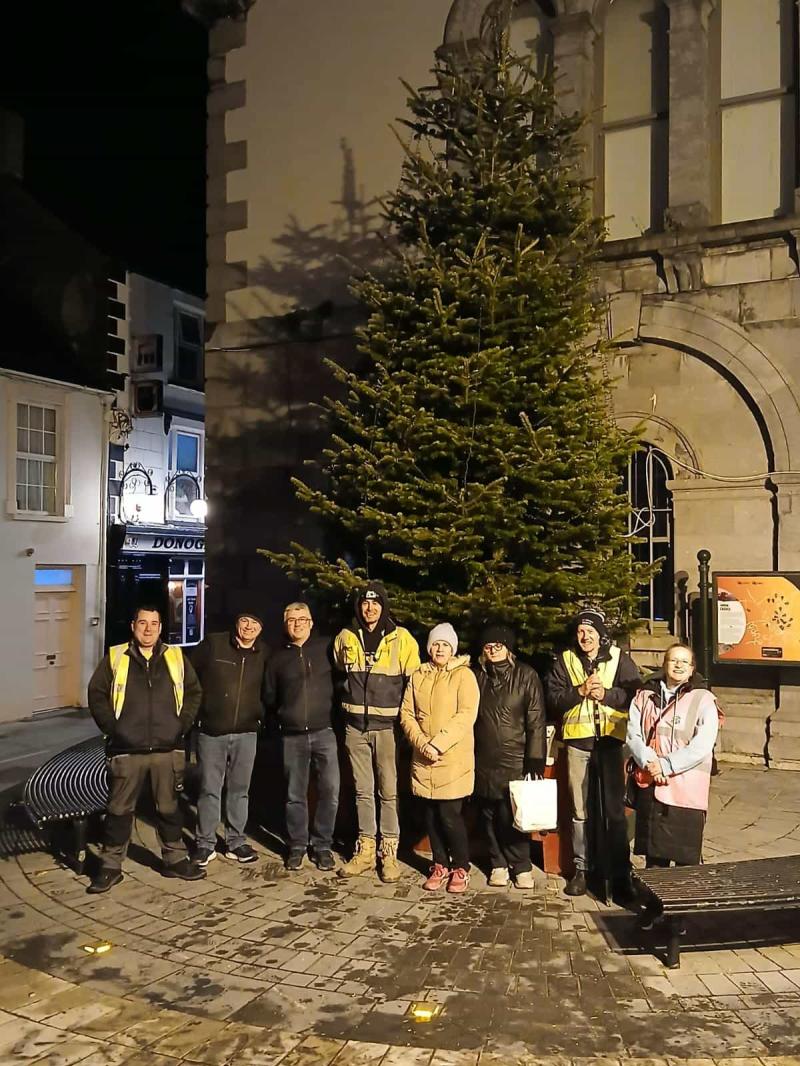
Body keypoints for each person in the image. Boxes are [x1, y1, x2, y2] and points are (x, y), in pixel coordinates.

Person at [86, 605, 204, 893]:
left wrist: (181, 725)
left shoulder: (175, 656)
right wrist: (114, 729)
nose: (148, 629)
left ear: (161, 628)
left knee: (169, 808)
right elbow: (96, 694)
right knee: (118, 809)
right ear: (133, 625)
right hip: (127, 750)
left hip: (168, 748)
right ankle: (110, 867)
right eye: (143, 623)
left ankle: (174, 860)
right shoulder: (116, 657)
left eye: (154, 624)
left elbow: (193, 692)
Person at [546, 608, 640, 899]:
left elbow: (635, 695)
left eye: (590, 631)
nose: (584, 636)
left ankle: (620, 871)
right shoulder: (565, 661)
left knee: (614, 810)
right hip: (578, 744)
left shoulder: (620, 658)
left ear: (600, 635)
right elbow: (553, 698)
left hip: (611, 744)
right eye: (580, 632)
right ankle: (581, 869)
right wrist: (580, 691)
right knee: (579, 810)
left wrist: (606, 695)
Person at [333, 580, 420, 882]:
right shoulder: (345, 637)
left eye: (375, 603)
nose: (369, 609)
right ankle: (366, 850)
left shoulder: (402, 639)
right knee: (362, 791)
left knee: (389, 792)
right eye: (365, 603)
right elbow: (338, 672)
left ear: (384, 606)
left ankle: (389, 852)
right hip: (355, 728)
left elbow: (415, 685)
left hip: (387, 729)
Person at [627, 642, 720, 875]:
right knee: (654, 859)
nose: (678, 665)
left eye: (684, 662)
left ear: (692, 670)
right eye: (673, 660)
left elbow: (702, 745)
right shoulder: (645, 695)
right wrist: (650, 763)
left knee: (685, 863)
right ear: (665, 664)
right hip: (653, 786)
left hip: (686, 793)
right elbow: (633, 734)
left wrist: (665, 765)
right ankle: (654, 906)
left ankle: (682, 910)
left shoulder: (704, 700)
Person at [400, 624, 480, 893]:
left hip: (451, 759)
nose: (440, 649)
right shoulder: (418, 676)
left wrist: (438, 744)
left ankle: (460, 867)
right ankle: (440, 864)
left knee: (449, 815)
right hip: (423, 758)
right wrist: (423, 744)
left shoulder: (464, 676)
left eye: (445, 645)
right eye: (436, 644)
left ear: (453, 648)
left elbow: (466, 715)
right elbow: (407, 714)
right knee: (431, 816)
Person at [264, 602, 340, 871]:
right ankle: (297, 845)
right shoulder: (277, 658)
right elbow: (270, 697)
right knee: (294, 794)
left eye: (302, 619)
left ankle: (322, 845)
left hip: (324, 732)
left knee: (330, 791)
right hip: (292, 736)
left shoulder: (326, 648)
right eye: (292, 620)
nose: (297, 624)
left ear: (311, 621)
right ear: (286, 624)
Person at [191, 610, 269, 866]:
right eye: (245, 620)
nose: (249, 627)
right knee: (209, 790)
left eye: (255, 622)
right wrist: (197, 715)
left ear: (261, 627)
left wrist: (260, 718)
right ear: (236, 622)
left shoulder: (265, 653)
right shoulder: (213, 645)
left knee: (240, 790)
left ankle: (236, 841)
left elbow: (270, 691)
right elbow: (189, 678)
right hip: (211, 731)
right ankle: (205, 843)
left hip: (246, 733)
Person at [474, 624, 547, 890]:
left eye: (498, 646)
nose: (493, 651)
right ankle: (497, 864)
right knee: (488, 814)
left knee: (514, 814)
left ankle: (521, 865)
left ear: (508, 648)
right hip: (482, 757)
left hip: (515, 757)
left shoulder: (526, 676)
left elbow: (536, 720)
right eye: (488, 646)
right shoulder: (477, 676)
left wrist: (535, 759)